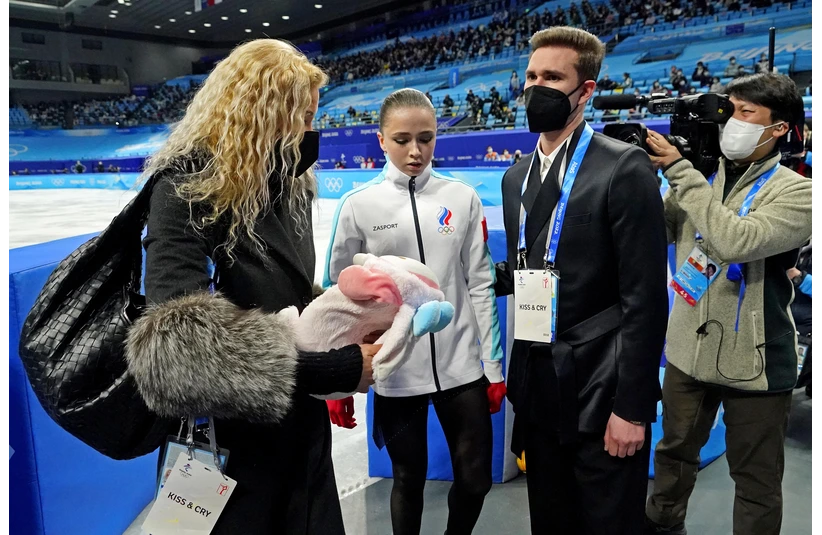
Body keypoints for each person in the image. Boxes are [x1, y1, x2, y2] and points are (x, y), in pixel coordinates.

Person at [123, 39, 379, 534]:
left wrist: (342, 327)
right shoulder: (185, 188)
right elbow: (179, 348)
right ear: (261, 114)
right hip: (225, 451)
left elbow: (290, 299)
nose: (311, 131)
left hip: (300, 436)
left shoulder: (288, 187)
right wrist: (332, 368)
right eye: (303, 117)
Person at [494, 26, 669, 534]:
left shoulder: (623, 167)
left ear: (585, 90)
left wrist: (632, 409)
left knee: (608, 523)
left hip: (602, 387)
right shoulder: (515, 176)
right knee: (550, 521)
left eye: (552, 76)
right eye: (531, 75)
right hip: (539, 386)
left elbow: (644, 299)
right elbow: (532, 272)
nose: (536, 87)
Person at [324, 88, 505, 535]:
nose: (415, 150)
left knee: (476, 478)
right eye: (402, 139)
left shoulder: (461, 198)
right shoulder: (358, 206)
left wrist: (493, 366)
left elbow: (479, 282)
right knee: (409, 477)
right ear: (381, 140)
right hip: (395, 367)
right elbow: (337, 299)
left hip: (461, 365)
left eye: (426, 138)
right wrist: (337, 379)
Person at [644, 72, 813, 535]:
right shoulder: (700, 177)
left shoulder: (798, 192)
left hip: (756, 361)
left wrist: (680, 172)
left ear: (778, 128)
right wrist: (642, 178)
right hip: (686, 348)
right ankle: (662, 527)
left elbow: (735, 240)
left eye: (745, 113)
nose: (731, 123)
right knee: (672, 457)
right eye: (728, 111)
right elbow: (653, 233)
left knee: (755, 480)